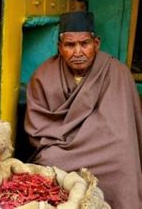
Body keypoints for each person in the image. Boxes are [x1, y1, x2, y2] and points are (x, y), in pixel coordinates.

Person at [24, 11, 142, 208]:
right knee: (48, 159)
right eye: (70, 45)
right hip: (63, 148)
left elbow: (124, 129)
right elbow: (37, 130)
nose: (78, 52)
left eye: (84, 44)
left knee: (124, 160)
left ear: (96, 44)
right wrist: (65, 142)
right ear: (59, 47)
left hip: (106, 148)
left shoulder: (117, 71)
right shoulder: (43, 76)